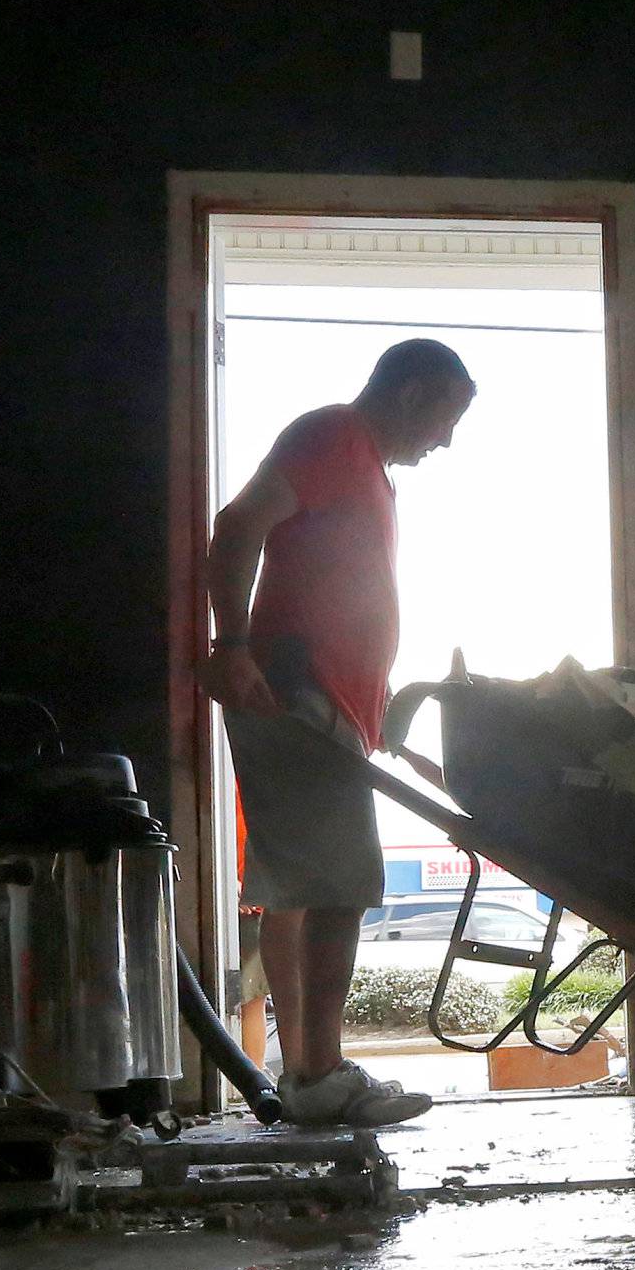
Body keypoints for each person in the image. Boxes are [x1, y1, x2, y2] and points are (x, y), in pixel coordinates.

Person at [203, 338, 477, 1127]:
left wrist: (381, 721)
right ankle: (319, 1077)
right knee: (340, 889)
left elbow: (341, 597)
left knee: (309, 889)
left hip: (328, 703)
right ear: (413, 393)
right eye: (447, 417)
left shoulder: (368, 472)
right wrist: (232, 647)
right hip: (294, 690)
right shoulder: (333, 436)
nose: (446, 439)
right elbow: (238, 523)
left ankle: (308, 1073)